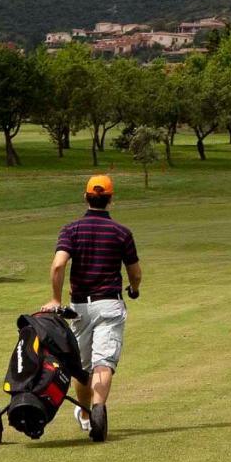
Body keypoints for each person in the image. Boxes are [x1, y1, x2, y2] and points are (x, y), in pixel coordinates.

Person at [41, 174, 142, 435]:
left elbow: (58, 264)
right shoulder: (121, 232)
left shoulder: (71, 230)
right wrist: (134, 289)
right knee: (103, 363)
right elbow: (135, 273)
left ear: (85, 197)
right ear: (110, 199)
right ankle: (97, 414)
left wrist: (55, 299)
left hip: (80, 308)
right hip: (110, 304)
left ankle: (87, 414)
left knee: (83, 367)